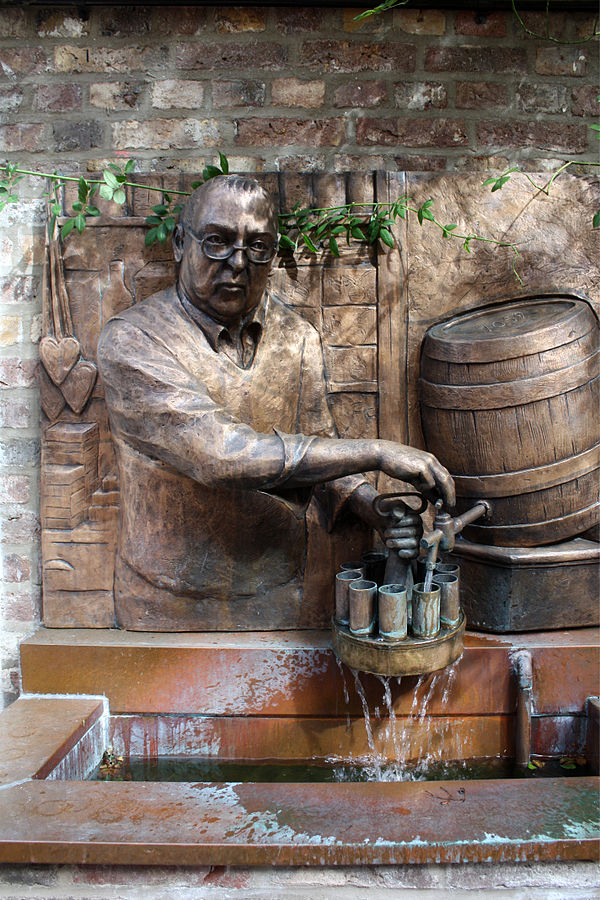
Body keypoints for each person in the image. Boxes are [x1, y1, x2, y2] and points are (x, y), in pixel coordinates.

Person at [97, 175, 454, 631]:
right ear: (180, 244)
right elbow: (220, 454)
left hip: (281, 589)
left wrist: (369, 504)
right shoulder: (133, 341)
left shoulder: (296, 338)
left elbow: (320, 450)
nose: (238, 263)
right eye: (217, 242)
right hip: (169, 599)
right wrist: (379, 451)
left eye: (258, 246)